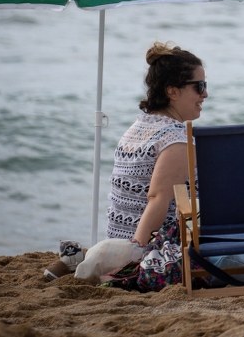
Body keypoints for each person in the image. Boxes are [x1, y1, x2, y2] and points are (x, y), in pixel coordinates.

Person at [45, 41, 208, 280]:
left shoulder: (138, 127)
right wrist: (136, 251)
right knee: (241, 260)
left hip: (116, 235)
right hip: (151, 243)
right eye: (199, 86)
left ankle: (85, 256)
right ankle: (109, 260)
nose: (205, 94)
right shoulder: (175, 140)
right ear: (172, 91)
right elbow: (157, 198)